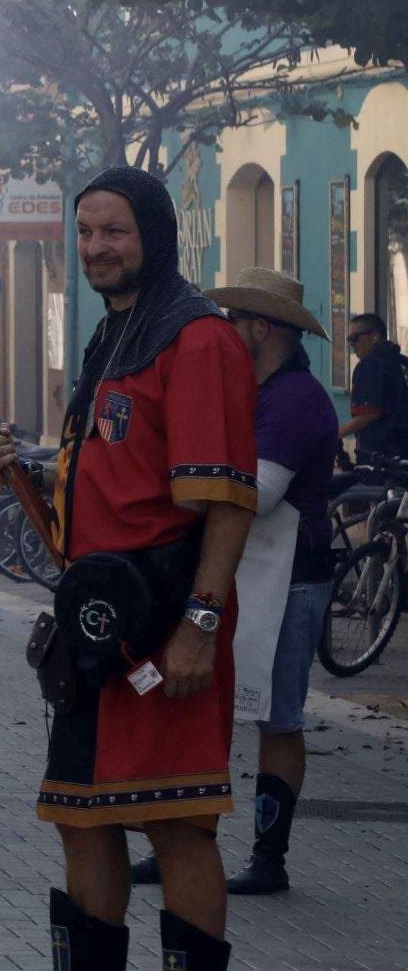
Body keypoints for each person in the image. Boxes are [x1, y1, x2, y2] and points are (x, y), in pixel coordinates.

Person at [0, 166, 257, 971]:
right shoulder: (111, 334)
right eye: (87, 232)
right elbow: (103, 481)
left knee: (176, 824)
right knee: (81, 816)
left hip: (166, 626)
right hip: (95, 628)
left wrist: (200, 623)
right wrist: (9, 470)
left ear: (153, 236)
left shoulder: (199, 339)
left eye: (115, 232)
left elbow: (229, 499)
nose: (97, 248)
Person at [131, 268, 339, 897]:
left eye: (232, 323)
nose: (221, 334)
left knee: (277, 718)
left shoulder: (296, 400)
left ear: (260, 328)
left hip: (290, 577)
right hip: (246, 574)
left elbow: (261, 494)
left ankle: (268, 858)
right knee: (211, 710)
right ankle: (185, 844)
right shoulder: (256, 391)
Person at [342, 312, 408, 460]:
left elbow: (369, 413)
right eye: (349, 340)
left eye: (355, 338)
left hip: (382, 458)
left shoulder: (369, 365)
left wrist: (336, 434)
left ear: (374, 336)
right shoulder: (403, 362)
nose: (352, 344)